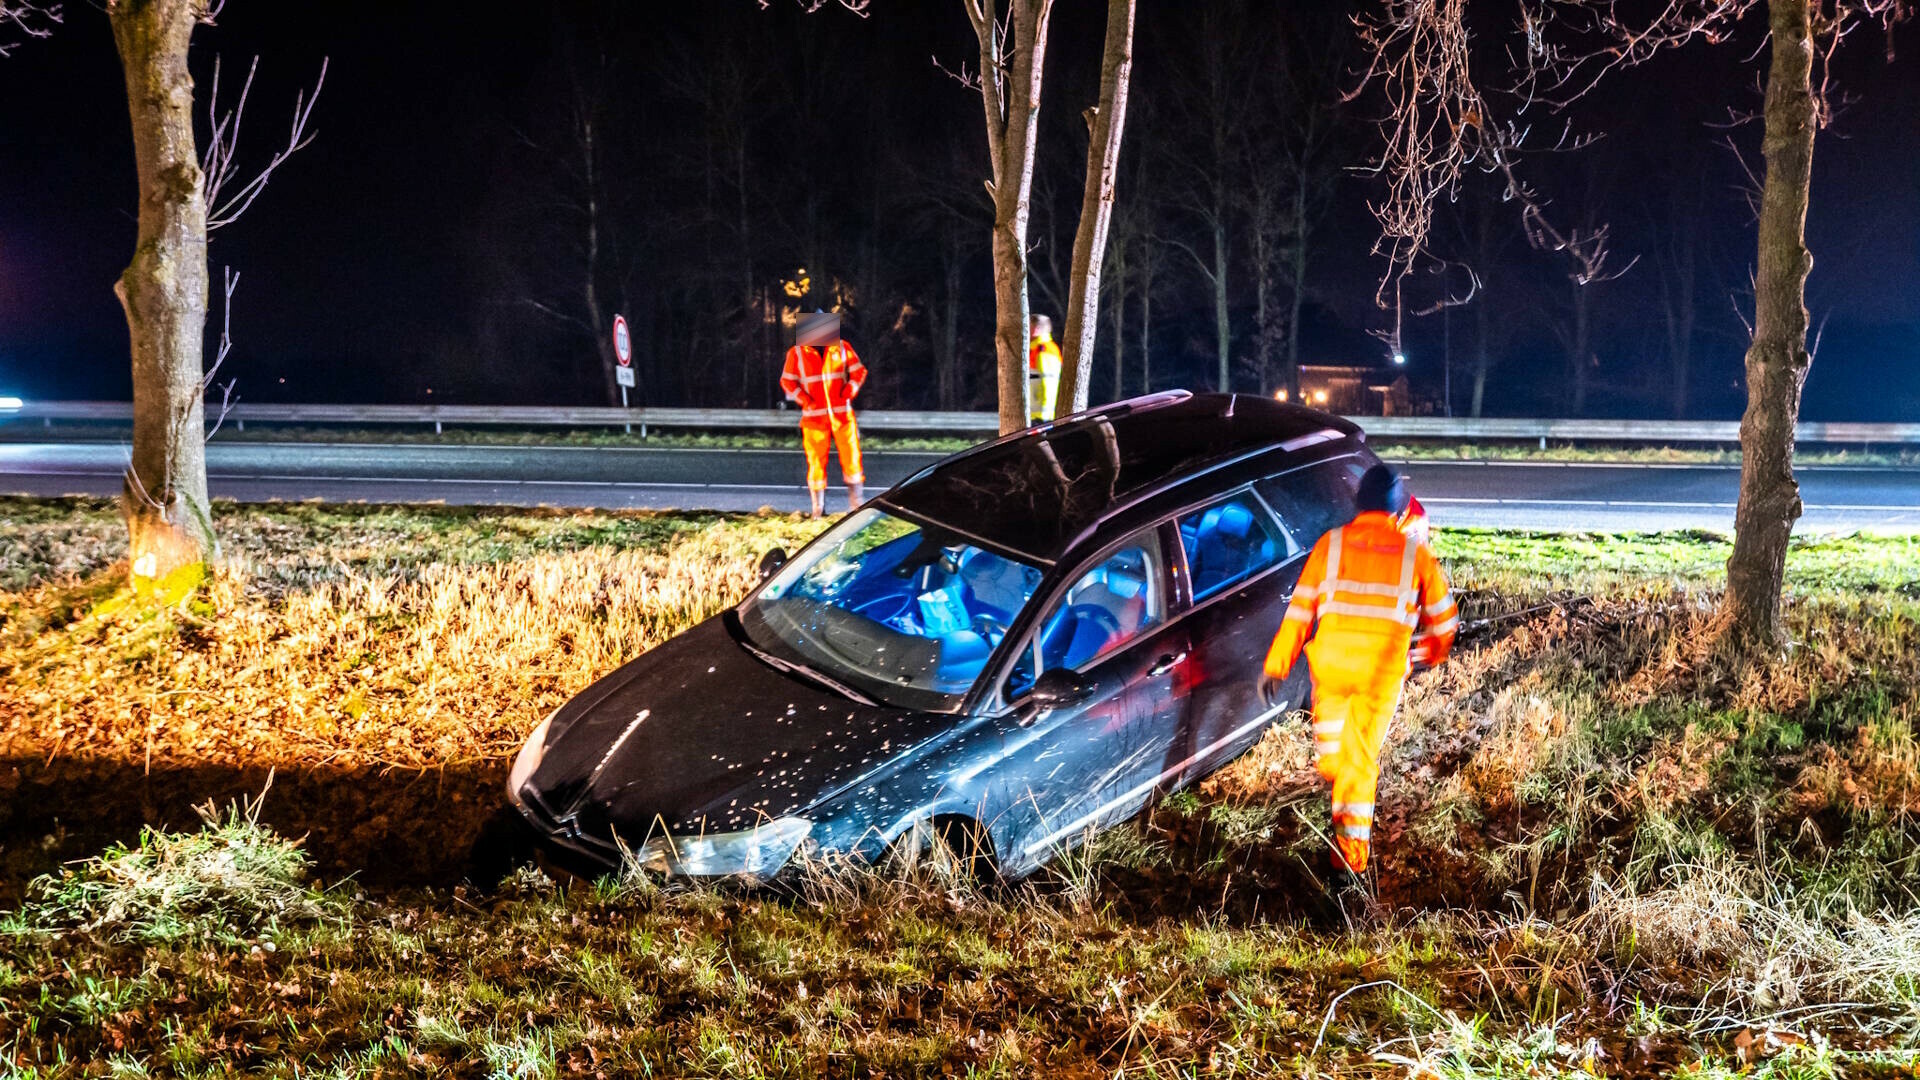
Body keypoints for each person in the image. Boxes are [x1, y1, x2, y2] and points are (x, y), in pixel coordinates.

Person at [1261, 465, 1458, 900]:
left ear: (1359, 504)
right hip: (1377, 680)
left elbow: (1300, 611)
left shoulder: (1330, 546)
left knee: (1338, 762)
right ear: (1397, 511)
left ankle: (1345, 860)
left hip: (1331, 673)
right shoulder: (1414, 556)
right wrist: (1428, 653)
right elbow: (1445, 622)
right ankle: (1348, 870)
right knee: (1355, 766)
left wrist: (1277, 665)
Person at [781, 313, 867, 518]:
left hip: (841, 415)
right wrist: (805, 400)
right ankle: (818, 510)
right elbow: (787, 381)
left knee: (852, 460)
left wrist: (850, 389)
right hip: (814, 418)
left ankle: (857, 506)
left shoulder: (842, 348)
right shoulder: (797, 353)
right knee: (816, 463)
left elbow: (859, 371)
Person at [1027, 314, 1062, 424]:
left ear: (1036, 329)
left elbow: (1048, 383)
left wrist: (1043, 415)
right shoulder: (1035, 348)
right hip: (1035, 414)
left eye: (1028, 327)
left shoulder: (1044, 349)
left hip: (1040, 417)